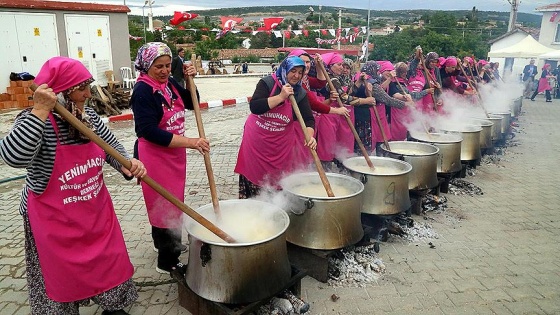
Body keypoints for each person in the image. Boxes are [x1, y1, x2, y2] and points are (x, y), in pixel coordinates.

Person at [0, 56, 146, 315]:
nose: (89, 93)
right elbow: (13, 156)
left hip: (94, 212)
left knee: (108, 265)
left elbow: (109, 145)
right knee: (60, 278)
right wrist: (41, 111)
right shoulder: (33, 119)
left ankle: (113, 308)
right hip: (54, 221)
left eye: (88, 85)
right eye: (81, 88)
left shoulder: (86, 115)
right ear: (59, 93)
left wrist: (125, 163)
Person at [130, 42, 210, 275]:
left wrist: (189, 81)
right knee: (164, 205)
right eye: (158, 67)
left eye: (167, 66)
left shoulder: (169, 84)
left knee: (172, 203)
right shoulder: (143, 91)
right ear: (146, 66)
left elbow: (189, 101)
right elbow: (148, 131)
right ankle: (167, 261)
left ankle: (165, 244)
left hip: (174, 154)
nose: (164, 71)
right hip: (156, 156)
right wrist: (192, 142)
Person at [235, 56, 316, 199]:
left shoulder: (300, 93)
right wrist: (281, 96)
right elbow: (255, 107)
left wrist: (310, 136)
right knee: (255, 175)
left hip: (280, 146)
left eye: (300, 73)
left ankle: (277, 212)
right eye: (293, 71)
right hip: (256, 142)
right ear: (285, 69)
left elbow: (308, 119)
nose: (296, 76)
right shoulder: (267, 83)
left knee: (278, 180)